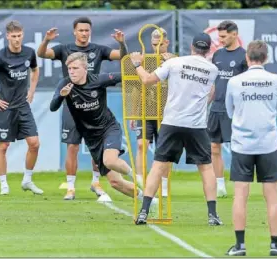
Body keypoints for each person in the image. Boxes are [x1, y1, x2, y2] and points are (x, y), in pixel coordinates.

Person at [130, 33, 222, 226]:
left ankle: (144, 212)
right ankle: (212, 215)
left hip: (172, 122)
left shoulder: (175, 63)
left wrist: (137, 64)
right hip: (196, 125)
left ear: (191, 46)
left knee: (158, 166)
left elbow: (147, 80)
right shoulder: (212, 69)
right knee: (206, 168)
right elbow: (211, 92)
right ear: (208, 49)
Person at [37, 16, 128, 200]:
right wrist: (46, 40)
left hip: (93, 103)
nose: (84, 33)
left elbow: (122, 57)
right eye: (81, 30)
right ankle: (70, 187)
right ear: (74, 32)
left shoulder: (99, 49)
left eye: (87, 30)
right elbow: (42, 54)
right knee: (73, 146)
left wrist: (122, 44)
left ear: (90, 32)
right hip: (73, 104)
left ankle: (96, 182)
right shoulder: (64, 49)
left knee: (97, 144)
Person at [50, 52, 158, 206]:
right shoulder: (65, 84)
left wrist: (137, 64)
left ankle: (137, 177)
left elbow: (125, 76)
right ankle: (148, 200)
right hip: (91, 138)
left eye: (75, 68)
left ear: (85, 69)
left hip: (108, 129)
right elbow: (53, 107)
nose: (71, 72)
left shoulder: (99, 80)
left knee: (110, 160)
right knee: (115, 182)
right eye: (69, 68)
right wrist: (62, 96)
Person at [224, 40, 277, 256]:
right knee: (272, 194)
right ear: (266, 58)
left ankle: (240, 245)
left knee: (240, 194)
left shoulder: (235, 81)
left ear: (247, 58)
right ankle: (275, 245)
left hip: (242, 144)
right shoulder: (276, 80)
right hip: (268, 143)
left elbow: (229, 111)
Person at [0, 20, 43, 195]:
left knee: (34, 143)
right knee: (3, 146)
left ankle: (27, 180)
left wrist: (32, 91)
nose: (16, 39)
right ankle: (3, 184)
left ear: (23, 35)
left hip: (23, 106)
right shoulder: (0, 56)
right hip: (5, 107)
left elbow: (35, 70)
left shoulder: (29, 52)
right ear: (7, 36)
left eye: (19, 36)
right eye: (13, 36)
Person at [129, 27, 176, 197]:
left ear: (167, 43)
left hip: (166, 112)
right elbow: (136, 88)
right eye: (153, 44)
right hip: (145, 110)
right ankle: (141, 183)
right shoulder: (145, 60)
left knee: (164, 151)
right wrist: (134, 113)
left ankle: (163, 186)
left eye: (160, 44)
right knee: (142, 145)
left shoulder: (174, 61)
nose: (156, 48)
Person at [208, 21, 248, 197]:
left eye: (223, 37)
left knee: (238, 148)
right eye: (219, 37)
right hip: (216, 108)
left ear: (234, 34)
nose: (220, 40)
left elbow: (248, 85)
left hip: (235, 110)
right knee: (214, 147)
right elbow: (214, 84)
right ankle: (220, 185)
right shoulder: (217, 55)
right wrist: (206, 105)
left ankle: (240, 184)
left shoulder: (244, 56)